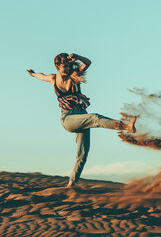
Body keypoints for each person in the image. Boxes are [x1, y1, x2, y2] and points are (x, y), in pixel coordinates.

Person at [27, 53, 136, 188]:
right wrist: (32, 74)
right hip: (68, 119)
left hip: (81, 115)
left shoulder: (75, 75)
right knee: (95, 117)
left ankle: (71, 184)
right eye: (64, 66)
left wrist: (78, 57)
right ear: (57, 66)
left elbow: (88, 62)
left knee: (83, 152)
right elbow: (40, 75)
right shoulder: (53, 78)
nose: (67, 68)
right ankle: (126, 127)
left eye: (68, 65)